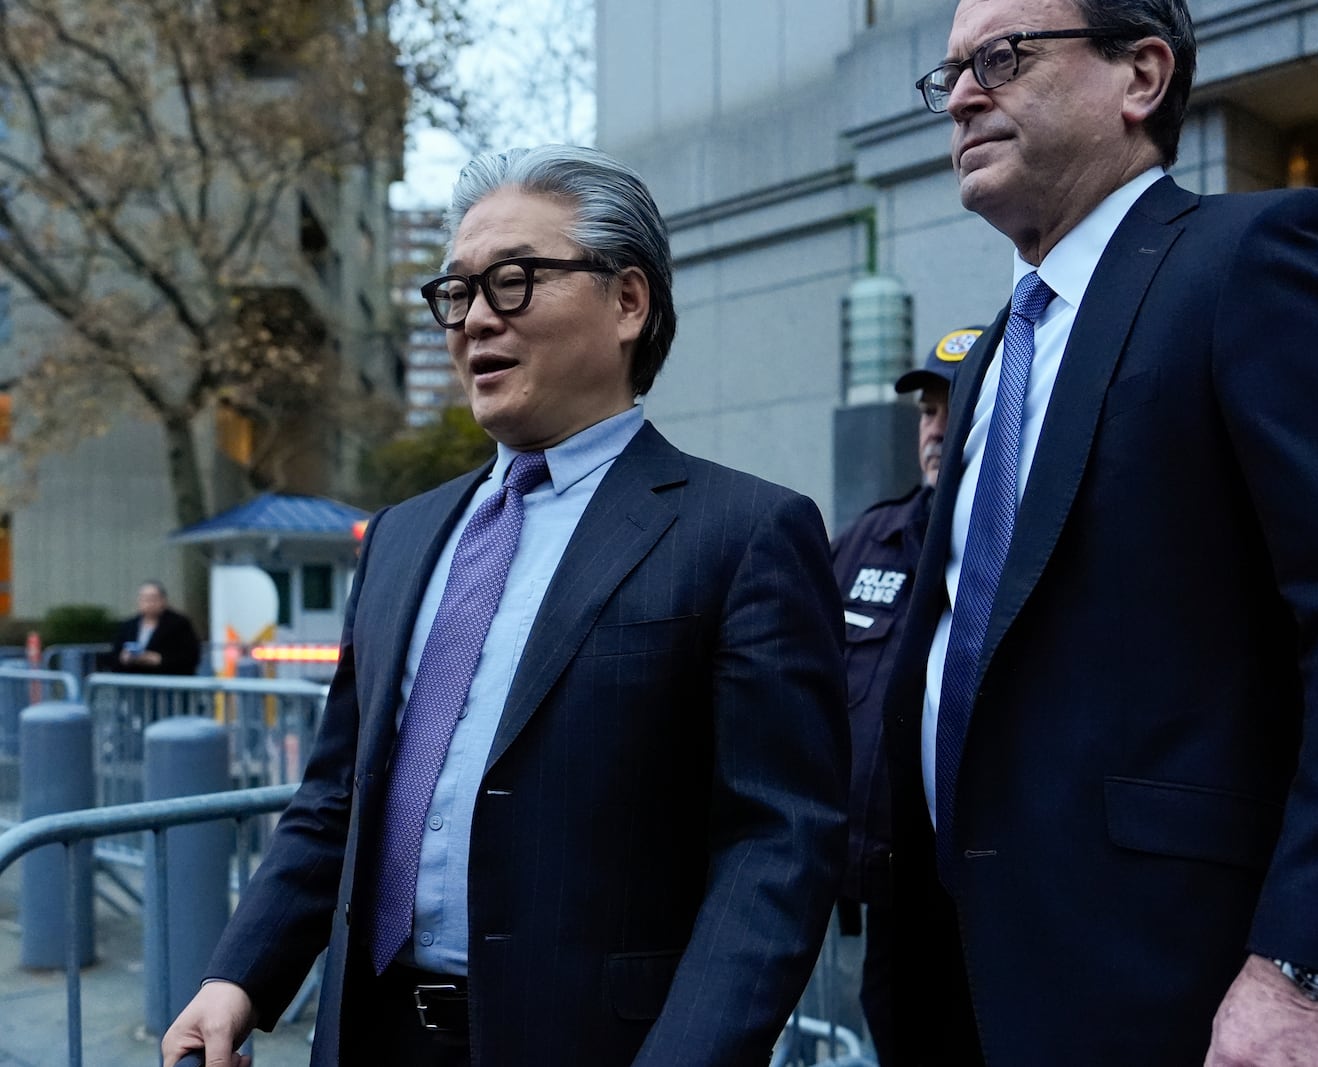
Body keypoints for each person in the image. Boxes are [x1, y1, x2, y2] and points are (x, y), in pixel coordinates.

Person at [885, 2, 1318, 1065]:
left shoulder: (1258, 258)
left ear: (1142, 75)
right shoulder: (988, 358)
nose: (965, 96)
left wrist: (1312, 966)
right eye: (950, 78)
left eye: (1001, 57)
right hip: (972, 978)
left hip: (1200, 992)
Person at [162, 145, 849, 1067]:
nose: (475, 318)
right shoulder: (402, 537)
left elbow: (778, 845)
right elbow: (335, 799)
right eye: (456, 292)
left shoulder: (744, 532)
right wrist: (235, 979)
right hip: (371, 1037)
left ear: (628, 302)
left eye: (515, 281)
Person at [829, 325, 984, 1065]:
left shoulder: (1017, 543)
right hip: (888, 892)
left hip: (989, 895)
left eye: (956, 406)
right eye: (927, 410)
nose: (936, 428)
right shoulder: (866, 541)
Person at [111, 581, 201, 676]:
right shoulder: (128, 625)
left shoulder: (179, 624)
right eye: (144, 599)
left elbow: (191, 656)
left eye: (153, 598)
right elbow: (114, 655)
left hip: (168, 681)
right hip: (135, 681)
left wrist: (157, 659)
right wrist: (123, 658)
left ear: (163, 600)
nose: (149, 603)